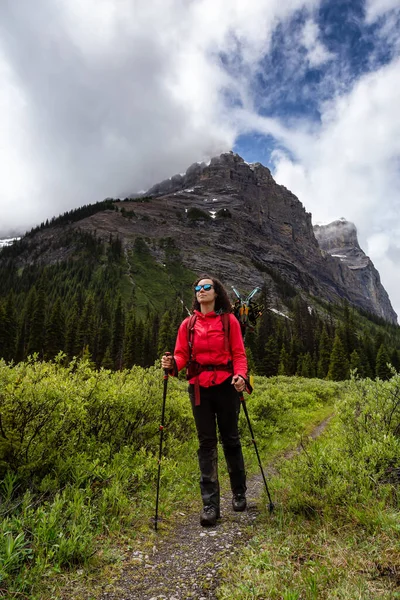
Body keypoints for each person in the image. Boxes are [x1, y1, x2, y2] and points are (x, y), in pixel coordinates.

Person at [161, 275, 249, 527]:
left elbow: (239, 355)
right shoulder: (188, 325)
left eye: (206, 287)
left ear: (216, 292)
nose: (201, 291)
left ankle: (239, 492)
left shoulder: (229, 321)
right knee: (206, 444)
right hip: (199, 388)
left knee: (231, 439)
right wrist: (171, 365)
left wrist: (241, 376)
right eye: (197, 288)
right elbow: (181, 356)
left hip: (227, 386)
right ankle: (210, 505)